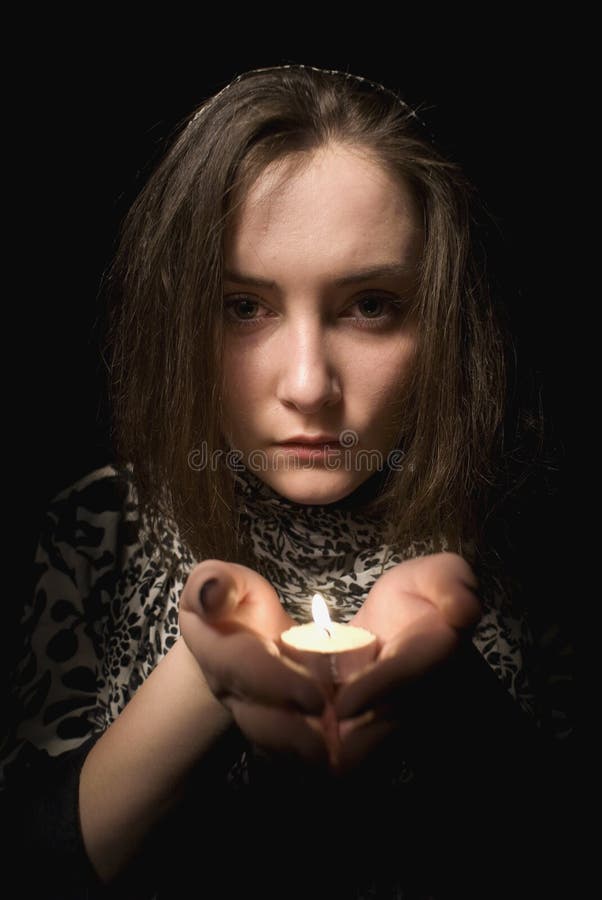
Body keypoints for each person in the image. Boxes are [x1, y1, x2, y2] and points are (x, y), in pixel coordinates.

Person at [1, 64, 572, 899]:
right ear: (178, 316)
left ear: (444, 318)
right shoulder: (99, 526)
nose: (308, 385)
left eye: (370, 305)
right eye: (244, 307)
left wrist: (453, 697)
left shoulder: (533, 536)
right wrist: (205, 676)